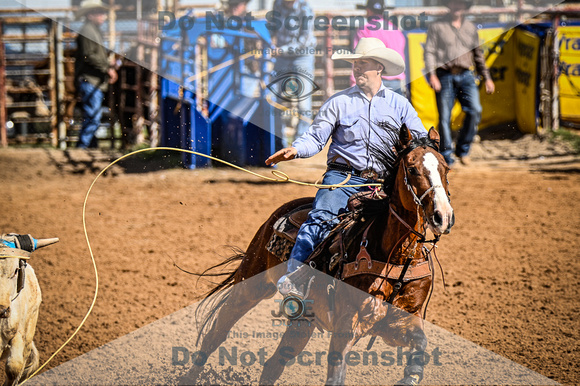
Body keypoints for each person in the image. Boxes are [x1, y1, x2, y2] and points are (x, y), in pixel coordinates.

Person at [266, 38, 427, 298]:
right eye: (355, 64)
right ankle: (294, 275)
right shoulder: (338, 102)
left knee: (409, 223)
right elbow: (316, 138)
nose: (357, 69)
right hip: (342, 178)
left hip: (383, 183)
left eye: (363, 64)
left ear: (379, 68)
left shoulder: (400, 106)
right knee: (321, 217)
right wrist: (295, 149)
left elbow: (419, 143)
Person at [423, 0, 494, 167]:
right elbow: (429, 52)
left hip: (466, 75)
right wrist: (432, 75)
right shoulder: (437, 26)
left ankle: (463, 149)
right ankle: (447, 156)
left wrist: (487, 77)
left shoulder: (470, 28)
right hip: (444, 75)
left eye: (460, 3)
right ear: (448, 5)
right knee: (445, 117)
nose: (456, 6)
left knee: (475, 110)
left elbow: (478, 55)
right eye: (453, 3)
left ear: (464, 7)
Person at [270, 0, 317, 147]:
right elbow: (273, 28)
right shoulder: (277, 4)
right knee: (274, 98)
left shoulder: (305, 9)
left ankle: (301, 143)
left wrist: (280, 50)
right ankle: (279, 141)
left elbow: (304, 40)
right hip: (282, 55)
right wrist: (270, 42)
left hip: (302, 55)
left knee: (303, 103)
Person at [74, 0, 118, 149]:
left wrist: (106, 64)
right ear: (90, 15)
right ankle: (82, 147)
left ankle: (90, 146)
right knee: (93, 116)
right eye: (99, 13)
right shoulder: (88, 31)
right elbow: (89, 56)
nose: (103, 16)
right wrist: (106, 67)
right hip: (90, 79)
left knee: (93, 114)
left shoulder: (92, 31)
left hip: (93, 79)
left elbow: (92, 55)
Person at [351, 0, 407, 96]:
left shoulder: (364, 30)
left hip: (374, 79)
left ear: (368, 10)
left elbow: (359, 56)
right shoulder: (395, 29)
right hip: (396, 79)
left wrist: (354, 81)